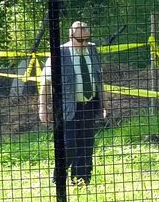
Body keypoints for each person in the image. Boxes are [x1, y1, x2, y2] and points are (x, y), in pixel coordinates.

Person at [38, 21, 107, 185]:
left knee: (86, 146)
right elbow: (45, 83)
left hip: (89, 106)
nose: (84, 43)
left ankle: (81, 182)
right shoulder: (59, 53)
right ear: (71, 37)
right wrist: (43, 107)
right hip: (67, 108)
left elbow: (99, 80)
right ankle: (58, 179)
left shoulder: (92, 50)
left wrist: (105, 104)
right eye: (80, 40)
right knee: (69, 145)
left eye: (87, 39)